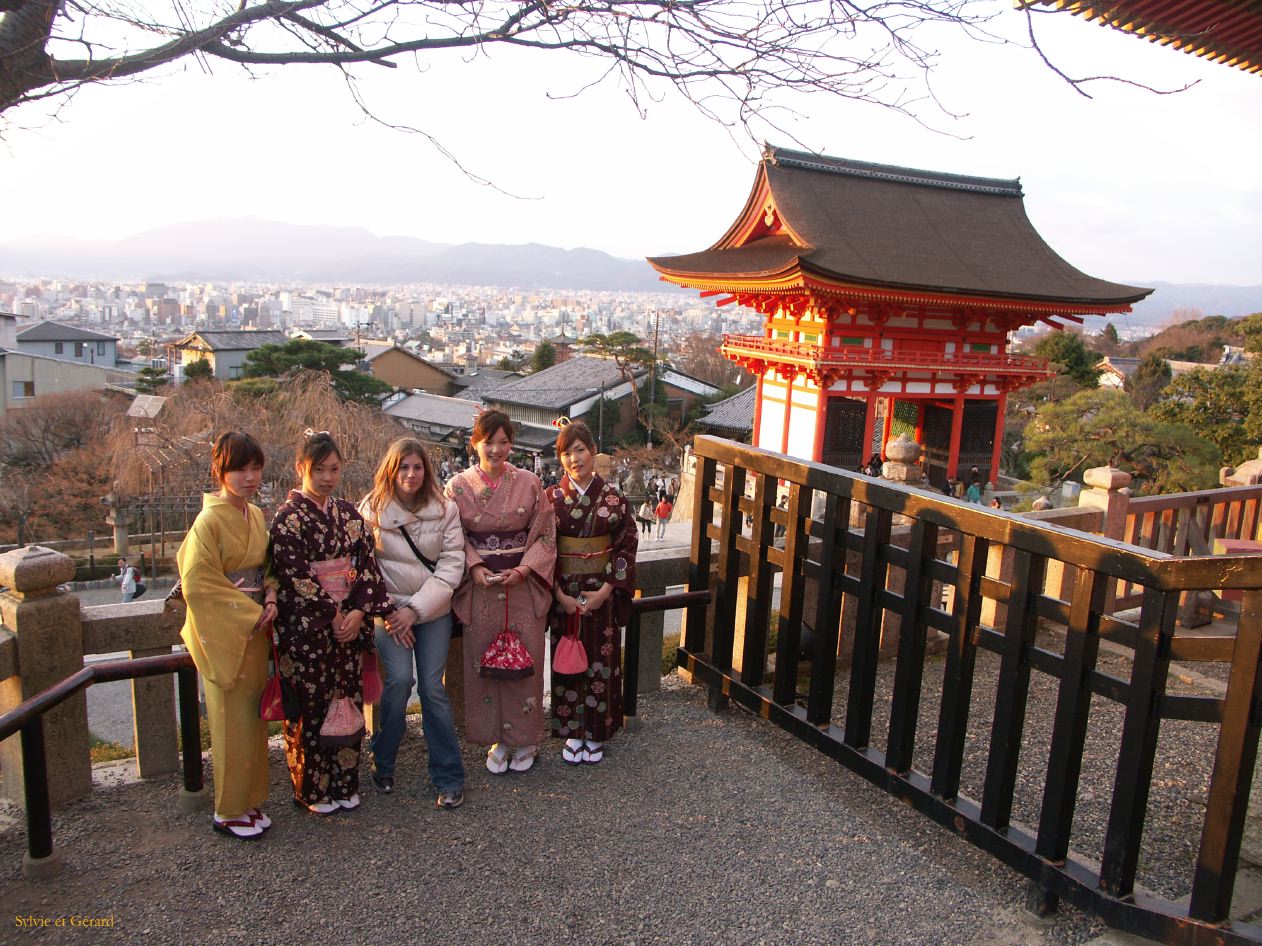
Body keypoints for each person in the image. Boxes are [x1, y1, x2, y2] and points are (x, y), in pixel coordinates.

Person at [270, 430, 394, 815]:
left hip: (348, 627)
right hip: (309, 630)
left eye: (334, 469)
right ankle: (313, 789)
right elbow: (295, 575)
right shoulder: (288, 519)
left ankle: (345, 782)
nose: (327, 477)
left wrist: (357, 612)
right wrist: (334, 613)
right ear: (301, 468)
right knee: (313, 706)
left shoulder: (349, 514)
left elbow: (368, 566)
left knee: (347, 701)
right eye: (318, 469)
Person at [176, 431, 278, 840]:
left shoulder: (255, 515)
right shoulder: (208, 521)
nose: (250, 477)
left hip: (255, 627)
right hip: (228, 632)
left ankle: (250, 800)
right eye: (240, 470)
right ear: (220, 471)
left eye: (256, 468)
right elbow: (198, 583)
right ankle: (227, 809)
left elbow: (269, 565)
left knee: (252, 720)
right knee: (228, 722)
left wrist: (271, 595)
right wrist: (251, 612)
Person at [445, 410, 556, 775]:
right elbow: (452, 536)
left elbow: (545, 534)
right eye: (488, 442)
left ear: (512, 444)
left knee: (525, 663)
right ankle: (497, 739)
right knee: (486, 664)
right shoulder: (456, 487)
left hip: (521, 585)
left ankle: (525, 739)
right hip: (481, 587)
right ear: (473, 444)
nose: (496, 449)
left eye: (504, 442)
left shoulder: (530, 482)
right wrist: (474, 566)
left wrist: (524, 569)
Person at [359, 438, 467, 809]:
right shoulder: (372, 509)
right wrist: (391, 611)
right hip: (388, 612)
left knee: (433, 688)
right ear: (391, 471)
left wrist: (414, 610)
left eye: (417, 467)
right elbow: (365, 567)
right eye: (403, 467)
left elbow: (452, 565)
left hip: (431, 611)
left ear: (426, 471)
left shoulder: (445, 509)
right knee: (400, 680)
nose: (410, 474)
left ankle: (449, 776)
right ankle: (383, 758)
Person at [546, 421, 637, 764]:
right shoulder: (550, 499)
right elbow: (544, 548)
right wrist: (558, 593)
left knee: (601, 662)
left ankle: (597, 732)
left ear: (593, 451)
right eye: (566, 453)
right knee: (567, 660)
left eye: (580, 450)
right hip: (565, 594)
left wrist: (606, 591)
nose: (574, 458)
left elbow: (626, 545)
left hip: (602, 593)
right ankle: (572, 731)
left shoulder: (614, 498)